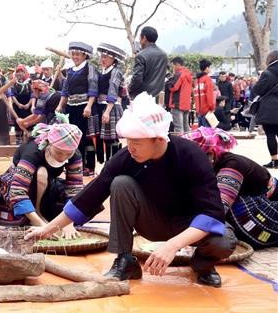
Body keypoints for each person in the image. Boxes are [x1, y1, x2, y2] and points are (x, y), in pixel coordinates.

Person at [26, 92, 237, 288]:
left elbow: (212, 213)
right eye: (128, 141)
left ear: (159, 139)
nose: (131, 147)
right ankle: (125, 260)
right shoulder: (127, 157)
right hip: (152, 221)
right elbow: (91, 194)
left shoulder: (191, 155)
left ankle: (202, 265)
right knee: (120, 183)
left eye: (136, 142)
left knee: (224, 241)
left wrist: (172, 246)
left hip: (189, 225)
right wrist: (47, 229)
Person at [183, 127, 277, 249]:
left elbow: (219, 208)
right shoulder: (209, 166)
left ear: (210, 154)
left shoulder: (232, 166)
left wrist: (181, 241)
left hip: (268, 207)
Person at [0, 121, 82, 236]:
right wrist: (42, 226)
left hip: (48, 185)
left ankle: (45, 214)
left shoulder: (74, 154)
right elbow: (17, 190)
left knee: (88, 195)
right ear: (50, 144)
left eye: (68, 154)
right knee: (41, 173)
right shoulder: (32, 151)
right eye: (59, 152)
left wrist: (68, 223)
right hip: (19, 184)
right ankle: (36, 215)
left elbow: (74, 189)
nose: (63, 157)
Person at [56, 42, 98, 176]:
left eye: (77, 54)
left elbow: (93, 88)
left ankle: (88, 166)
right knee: (71, 136)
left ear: (85, 55)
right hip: (71, 107)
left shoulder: (90, 68)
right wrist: (60, 105)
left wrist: (89, 106)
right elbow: (65, 90)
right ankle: (74, 164)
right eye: (73, 54)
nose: (75, 56)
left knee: (86, 137)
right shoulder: (70, 70)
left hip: (84, 107)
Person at [92, 43, 126, 164]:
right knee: (105, 138)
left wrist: (107, 111)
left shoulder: (116, 72)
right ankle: (108, 163)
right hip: (101, 105)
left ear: (113, 59)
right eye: (102, 56)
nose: (103, 59)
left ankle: (114, 163)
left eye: (106, 57)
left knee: (112, 138)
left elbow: (113, 91)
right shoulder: (103, 71)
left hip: (111, 107)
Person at [252, 50, 278, 168]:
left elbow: (257, 90)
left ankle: (275, 160)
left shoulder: (267, 73)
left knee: (271, 134)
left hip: (269, 109)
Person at [127, 26, 168, 100]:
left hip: (142, 99)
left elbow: (137, 78)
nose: (139, 40)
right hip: (158, 98)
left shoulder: (141, 55)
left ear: (144, 38)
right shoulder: (163, 55)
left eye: (140, 37)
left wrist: (129, 89)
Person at [165, 56, 193, 135]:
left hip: (177, 104)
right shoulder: (188, 74)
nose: (173, 68)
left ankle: (180, 146)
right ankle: (189, 143)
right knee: (186, 126)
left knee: (178, 128)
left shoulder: (179, 74)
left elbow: (174, 87)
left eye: (173, 66)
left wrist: (168, 82)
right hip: (186, 104)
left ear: (177, 64)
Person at [11, 65, 33, 144]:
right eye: (18, 72)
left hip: (28, 106)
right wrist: (18, 104)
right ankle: (18, 140)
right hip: (17, 106)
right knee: (18, 122)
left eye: (21, 72)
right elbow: (12, 95)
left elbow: (33, 94)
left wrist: (28, 104)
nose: (20, 73)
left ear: (25, 72)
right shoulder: (14, 82)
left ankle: (28, 139)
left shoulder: (30, 82)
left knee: (29, 122)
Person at [194, 59, 216, 128]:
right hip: (207, 111)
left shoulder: (196, 80)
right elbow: (209, 96)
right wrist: (212, 107)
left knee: (201, 133)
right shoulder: (207, 79)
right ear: (207, 68)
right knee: (208, 133)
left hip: (199, 111)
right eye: (210, 67)